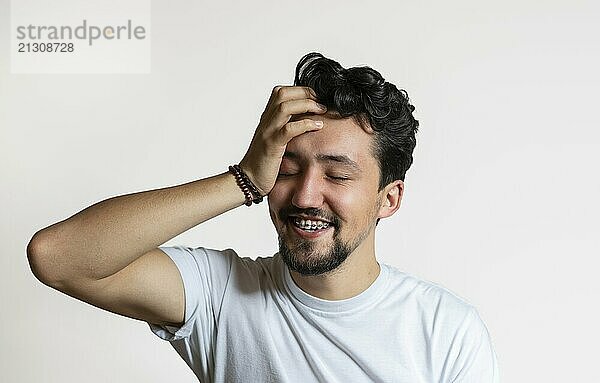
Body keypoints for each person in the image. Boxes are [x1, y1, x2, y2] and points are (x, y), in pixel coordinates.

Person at [27, 52, 499, 382]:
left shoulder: (446, 331)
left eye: (337, 175)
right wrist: (244, 180)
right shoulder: (219, 295)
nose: (305, 195)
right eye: (287, 169)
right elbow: (57, 256)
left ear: (388, 200)